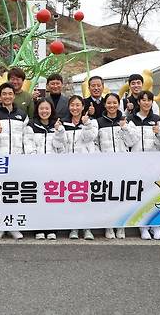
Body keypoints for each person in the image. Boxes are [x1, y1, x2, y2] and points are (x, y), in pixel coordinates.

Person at [126, 90, 160, 240]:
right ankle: (143, 226)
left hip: (155, 163)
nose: (146, 103)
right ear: (138, 102)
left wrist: (158, 133)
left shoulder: (159, 120)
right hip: (137, 162)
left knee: (155, 194)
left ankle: (156, 226)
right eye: (143, 100)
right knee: (141, 195)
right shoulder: (131, 120)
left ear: (152, 102)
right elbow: (129, 142)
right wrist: (125, 128)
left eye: (149, 100)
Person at [0, 82, 29, 240]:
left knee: (14, 194)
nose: (7, 96)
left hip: (17, 161)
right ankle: (0, 227)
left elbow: (27, 138)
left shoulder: (22, 115)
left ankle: (13, 226)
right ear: (0, 96)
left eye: (10, 94)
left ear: (14, 95)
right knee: (0, 195)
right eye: (4, 94)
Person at [96, 92, 139, 240]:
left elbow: (132, 142)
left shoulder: (127, 120)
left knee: (122, 196)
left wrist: (124, 128)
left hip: (123, 165)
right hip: (105, 165)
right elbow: (95, 143)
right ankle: (109, 225)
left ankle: (121, 225)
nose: (112, 105)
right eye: (109, 103)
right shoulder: (99, 122)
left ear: (118, 104)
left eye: (114, 102)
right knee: (108, 195)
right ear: (104, 104)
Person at [25, 98, 66, 240]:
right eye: (41, 108)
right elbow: (28, 146)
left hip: (53, 169)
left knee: (51, 199)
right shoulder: (30, 125)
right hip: (36, 168)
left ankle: (51, 227)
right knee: (37, 199)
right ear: (37, 110)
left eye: (47, 108)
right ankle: (38, 228)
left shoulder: (58, 125)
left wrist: (58, 132)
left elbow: (60, 148)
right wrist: (37, 163)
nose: (44, 111)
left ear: (51, 110)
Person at [62, 95, 98, 240]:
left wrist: (86, 124)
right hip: (69, 167)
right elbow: (61, 143)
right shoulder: (63, 123)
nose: (75, 108)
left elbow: (90, 138)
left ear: (83, 107)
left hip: (85, 166)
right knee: (72, 197)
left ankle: (87, 227)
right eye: (72, 105)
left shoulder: (92, 122)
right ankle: (74, 227)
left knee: (85, 197)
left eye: (78, 105)